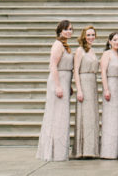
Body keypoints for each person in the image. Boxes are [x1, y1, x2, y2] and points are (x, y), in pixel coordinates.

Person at [36, 19, 74, 161]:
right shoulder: (58, 45)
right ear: (60, 31)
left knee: (62, 117)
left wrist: (68, 85)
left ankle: (60, 150)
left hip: (64, 81)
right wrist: (58, 86)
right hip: (57, 83)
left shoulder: (66, 45)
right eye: (66, 29)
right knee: (56, 116)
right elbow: (53, 66)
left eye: (70, 29)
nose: (69, 32)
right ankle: (52, 151)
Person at [72, 25, 100, 158]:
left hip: (93, 83)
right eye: (88, 35)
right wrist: (79, 90)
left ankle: (91, 149)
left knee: (92, 116)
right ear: (84, 36)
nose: (91, 37)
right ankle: (82, 150)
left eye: (93, 35)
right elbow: (76, 71)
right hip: (83, 82)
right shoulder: (80, 50)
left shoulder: (92, 50)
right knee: (85, 116)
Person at [99, 31, 118, 159]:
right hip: (111, 84)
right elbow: (103, 72)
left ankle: (116, 150)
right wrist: (106, 89)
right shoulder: (107, 54)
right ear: (109, 41)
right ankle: (108, 151)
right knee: (110, 118)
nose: (117, 42)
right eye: (114, 40)